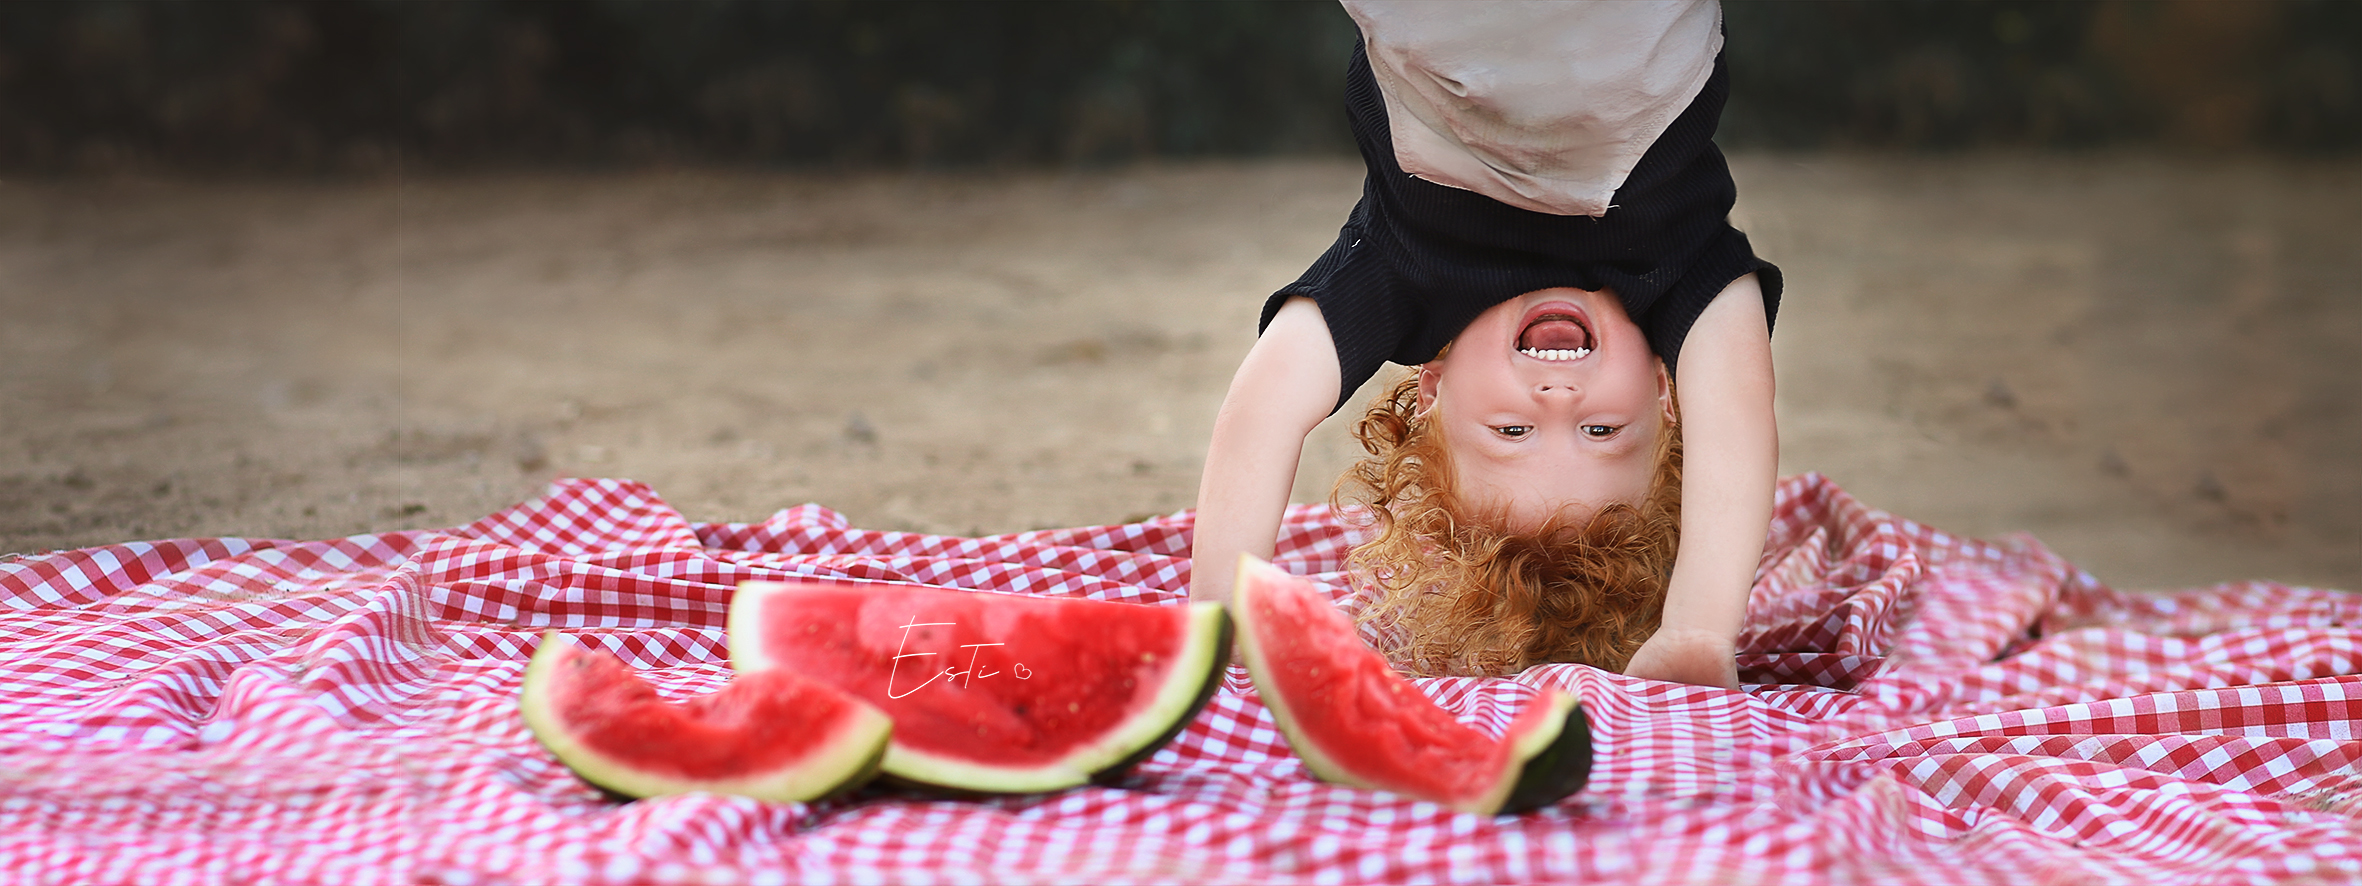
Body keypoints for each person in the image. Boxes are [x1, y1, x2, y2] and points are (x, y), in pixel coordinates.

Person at [1188, 0, 1778, 690]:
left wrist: (1219, 617)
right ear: (1664, 391)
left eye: (1512, 429)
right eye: (1601, 429)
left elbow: (1263, 413)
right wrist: (1697, 629)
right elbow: (1737, 411)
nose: (1557, 397)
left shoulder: (1401, 275)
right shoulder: (1681, 273)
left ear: (1433, 390)